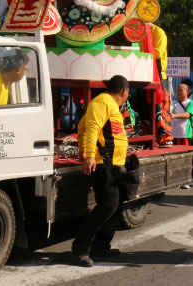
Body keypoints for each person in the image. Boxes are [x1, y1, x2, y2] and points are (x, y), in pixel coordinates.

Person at [72, 75, 129, 267]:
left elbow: (81, 126)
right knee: (107, 205)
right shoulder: (102, 102)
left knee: (115, 205)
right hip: (102, 163)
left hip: (113, 164)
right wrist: (88, 155)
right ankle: (81, 248)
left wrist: (81, 148)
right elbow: (91, 128)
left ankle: (102, 246)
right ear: (124, 92)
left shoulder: (110, 105)